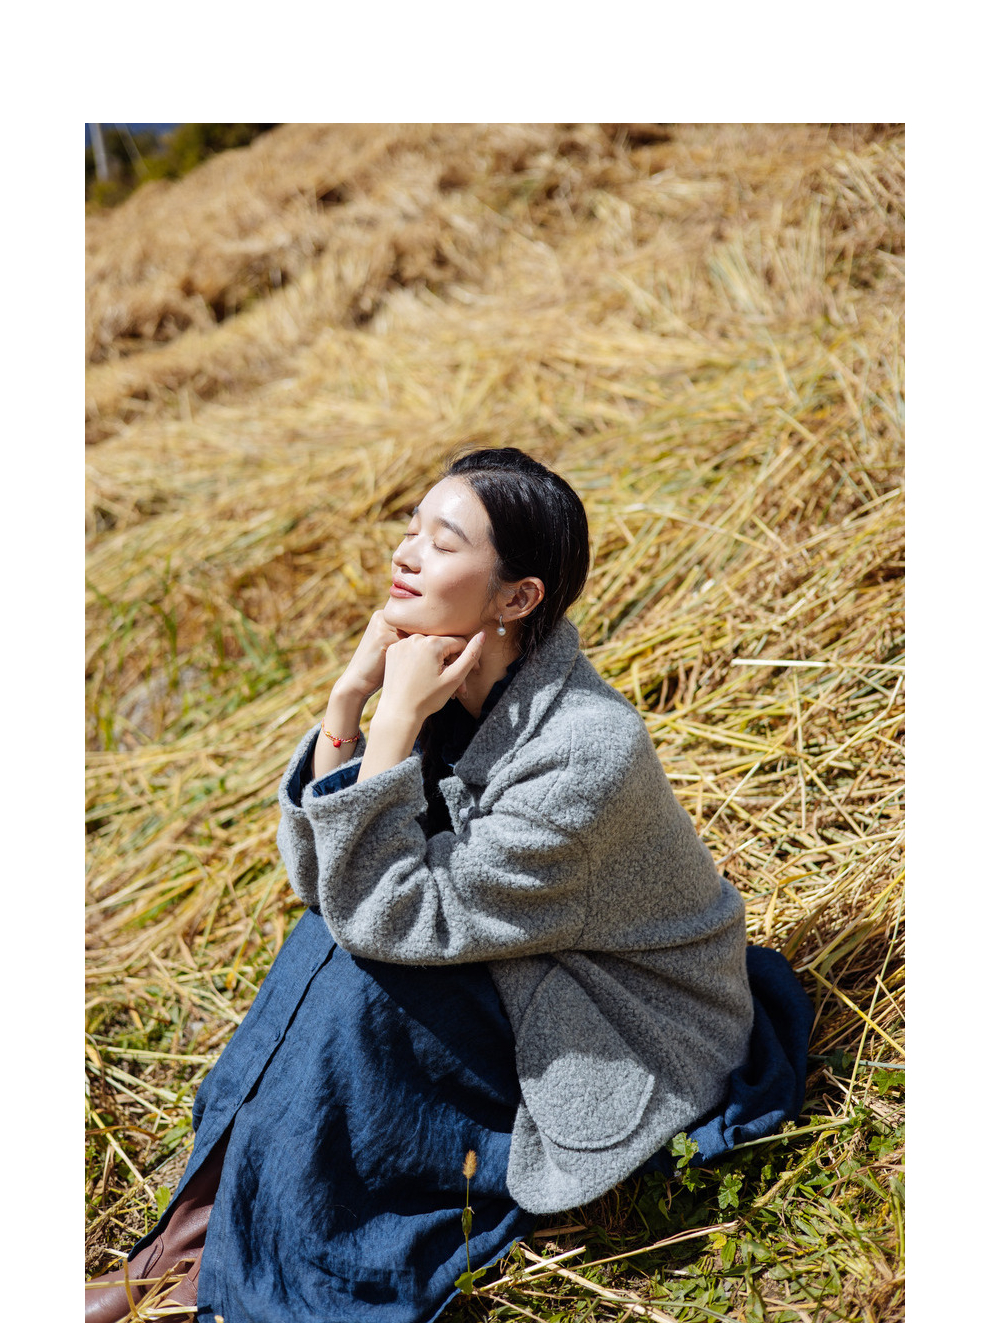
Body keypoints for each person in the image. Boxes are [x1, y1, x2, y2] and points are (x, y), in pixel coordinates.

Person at [86, 447, 811, 1323]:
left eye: (443, 540)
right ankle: (183, 1249)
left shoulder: (586, 750)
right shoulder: (446, 690)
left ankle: (245, 1274)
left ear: (517, 598)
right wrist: (349, 704)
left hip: (613, 1016)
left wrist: (393, 721)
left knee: (359, 976)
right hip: (511, 955)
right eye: (410, 529)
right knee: (323, 944)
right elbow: (322, 883)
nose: (406, 553)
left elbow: (388, 915)